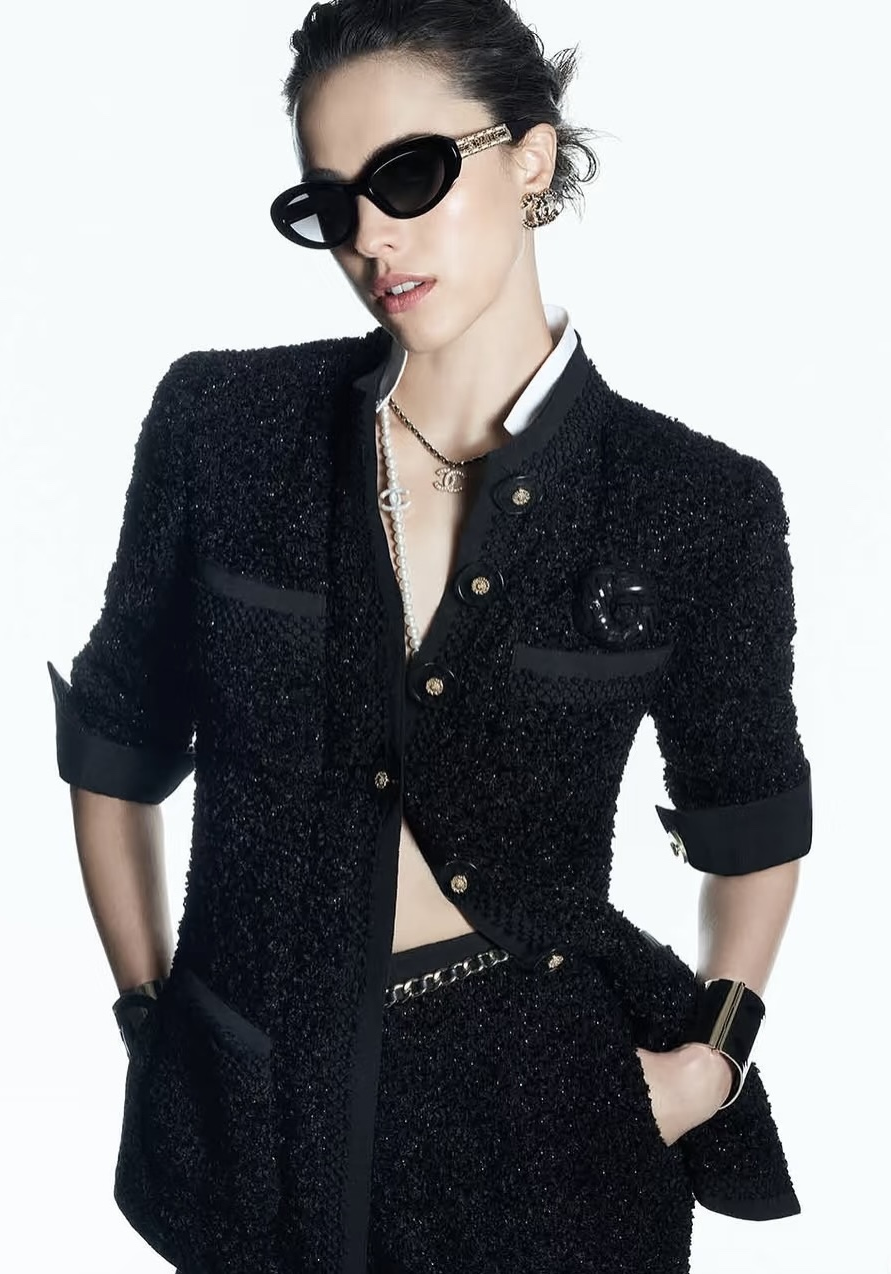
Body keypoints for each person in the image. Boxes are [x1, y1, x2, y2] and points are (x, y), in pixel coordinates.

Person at [47, 2, 813, 1271]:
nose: (371, 237)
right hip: (256, 1123)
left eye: (410, 176)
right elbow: (116, 744)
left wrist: (706, 1066)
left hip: (553, 1132)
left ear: (532, 155)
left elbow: (753, 827)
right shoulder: (225, 427)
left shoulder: (698, 504)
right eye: (331, 203)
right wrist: (152, 1016)